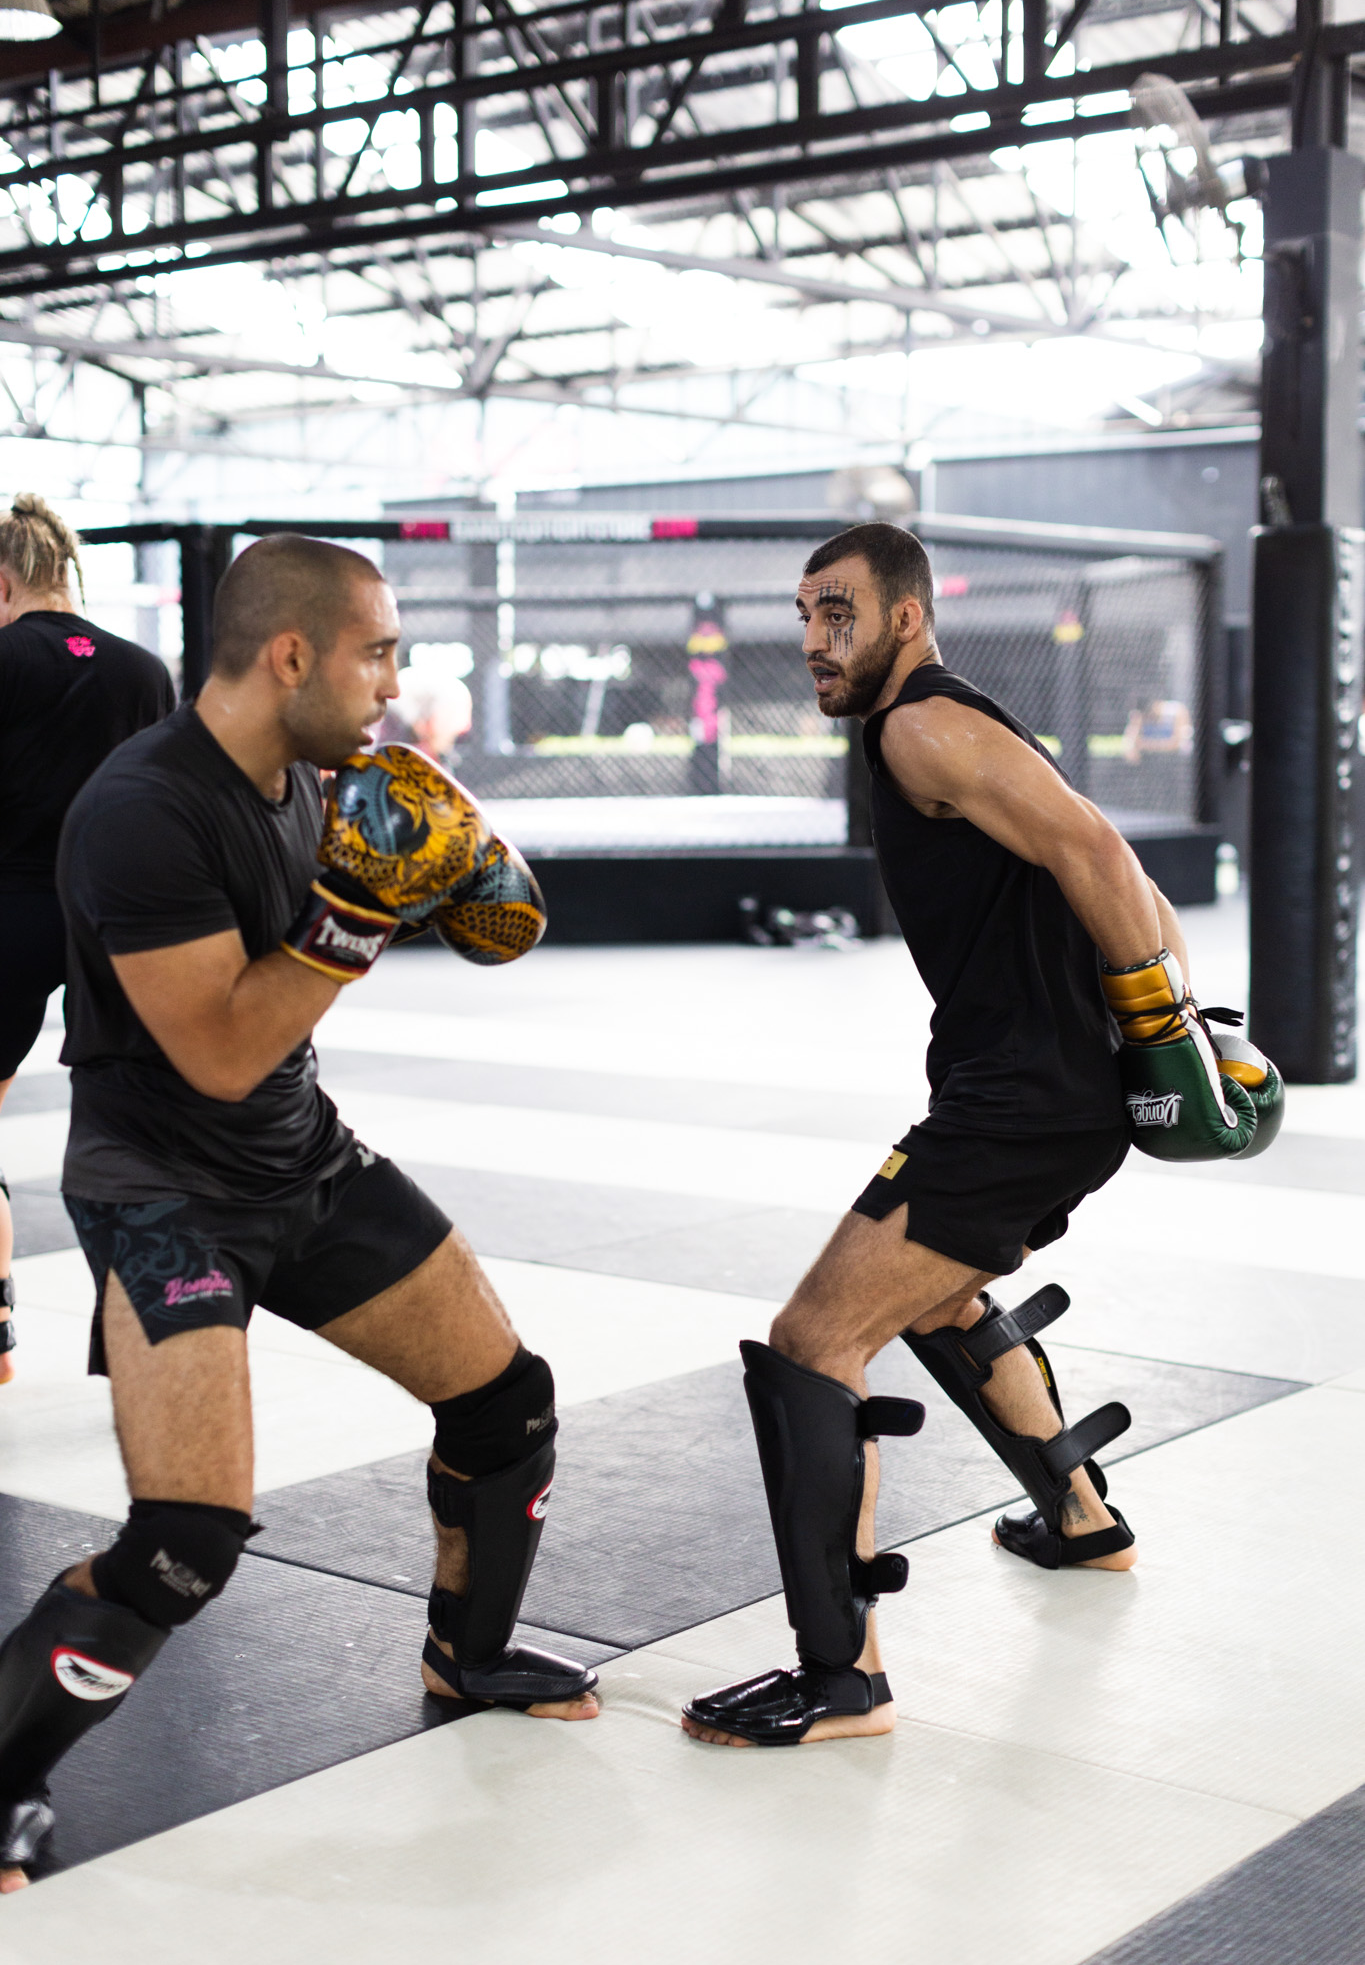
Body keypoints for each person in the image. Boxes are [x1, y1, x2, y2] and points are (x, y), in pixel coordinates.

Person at [0, 533, 597, 1891]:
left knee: (507, 1404)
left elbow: (490, 920)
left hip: (302, 1162)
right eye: (376, 653)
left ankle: (469, 1654)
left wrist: (462, 879)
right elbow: (218, 1050)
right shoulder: (139, 808)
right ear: (290, 655)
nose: (393, 682)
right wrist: (357, 911)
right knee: (184, 1539)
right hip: (163, 1195)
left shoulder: (319, 782)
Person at [681, 521, 1251, 1749]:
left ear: (905, 616)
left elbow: (1094, 848)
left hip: (1022, 1104)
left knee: (814, 1340)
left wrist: (1167, 1024)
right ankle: (1081, 1519)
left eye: (839, 612)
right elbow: (1111, 857)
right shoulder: (961, 719)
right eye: (804, 613)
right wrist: (1181, 1020)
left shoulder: (919, 725)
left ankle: (842, 1680)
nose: (814, 638)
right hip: (1037, 1094)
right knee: (938, 1294)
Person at [0, 495, 174, 1386]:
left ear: (3, 582)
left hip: (9, 913)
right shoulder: (145, 672)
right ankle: (147, 1339)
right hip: (114, 922)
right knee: (128, 1134)